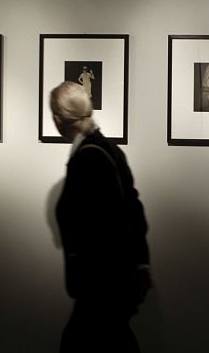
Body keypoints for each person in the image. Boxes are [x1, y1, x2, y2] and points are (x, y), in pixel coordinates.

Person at [51, 81, 152, 353]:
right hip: (116, 279)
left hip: (101, 283)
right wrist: (142, 263)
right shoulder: (109, 149)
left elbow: (101, 225)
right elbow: (134, 208)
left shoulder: (87, 158)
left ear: (58, 119)